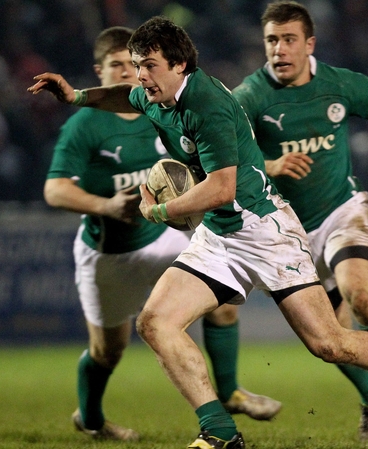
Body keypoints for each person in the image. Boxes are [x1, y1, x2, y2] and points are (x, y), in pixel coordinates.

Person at [29, 16, 368, 449]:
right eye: (138, 64)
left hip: (265, 233)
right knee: (155, 322)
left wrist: (160, 209)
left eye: (149, 65)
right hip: (220, 238)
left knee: (330, 343)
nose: (141, 75)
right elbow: (127, 97)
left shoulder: (209, 107)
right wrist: (77, 96)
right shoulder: (155, 93)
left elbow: (221, 189)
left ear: (180, 65)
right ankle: (219, 431)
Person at [42, 26, 281, 441]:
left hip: (159, 237)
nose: (127, 73)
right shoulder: (85, 126)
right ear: (100, 70)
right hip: (107, 252)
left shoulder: (163, 109)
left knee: (223, 301)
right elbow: (54, 188)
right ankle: (92, 420)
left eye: (134, 65)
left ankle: (228, 394)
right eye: (117, 65)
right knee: (107, 351)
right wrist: (106, 206)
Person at [230, 1, 368, 441]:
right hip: (285, 230)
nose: (279, 49)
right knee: (330, 339)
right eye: (272, 40)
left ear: (310, 43)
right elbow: (219, 158)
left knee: (361, 298)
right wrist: (269, 166)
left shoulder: (339, 84)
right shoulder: (248, 97)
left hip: (339, 212)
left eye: (289, 39)